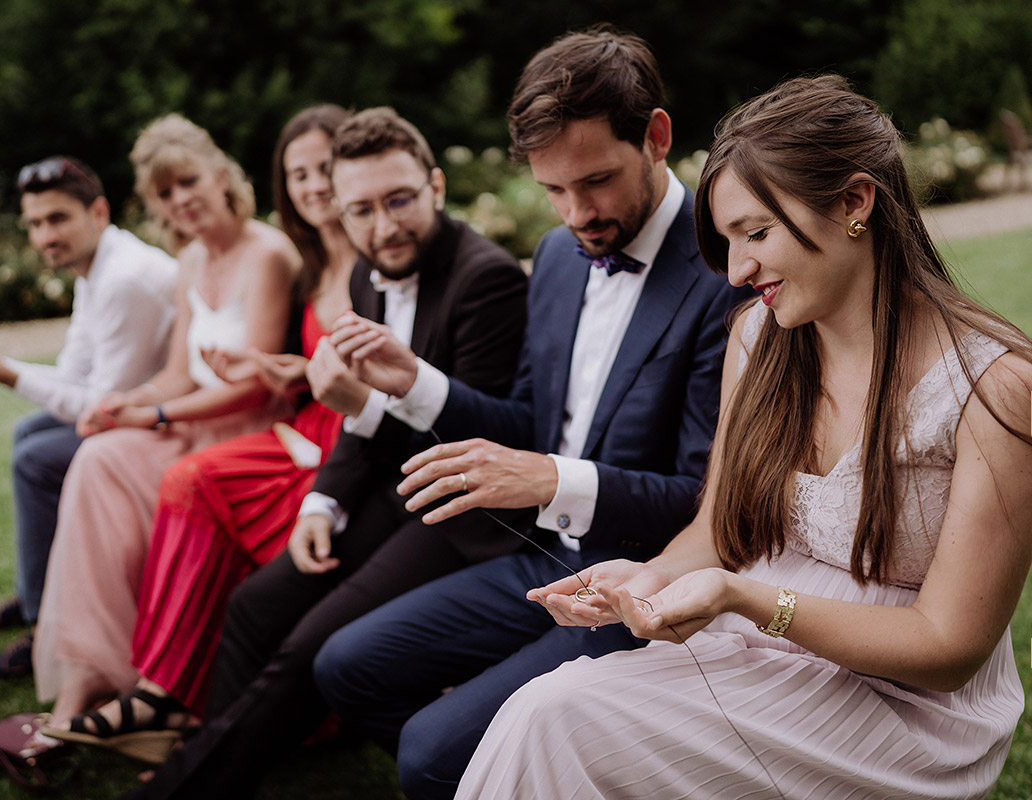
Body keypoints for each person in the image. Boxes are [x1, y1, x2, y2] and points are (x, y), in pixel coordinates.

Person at [456, 74, 1032, 800]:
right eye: (728, 241)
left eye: (756, 233)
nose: (737, 270)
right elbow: (719, 531)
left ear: (855, 203)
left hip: (908, 710)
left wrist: (750, 601)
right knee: (547, 709)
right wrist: (651, 576)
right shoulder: (758, 339)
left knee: (560, 721)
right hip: (762, 653)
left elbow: (949, 649)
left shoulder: (996, 389)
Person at [312, 28, 749, 799]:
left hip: (647, 578)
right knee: (346, 666)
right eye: (553, 190)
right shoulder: (553, 258)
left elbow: (704, 500)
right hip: (539, 560)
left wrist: (551, 479)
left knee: (428, 752)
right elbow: (524, 424)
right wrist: (413, 380)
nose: (577, 213)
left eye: (597, 181)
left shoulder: (729, 273)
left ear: (656, 136)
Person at [123, 106, 529, 798]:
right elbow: (361, 423)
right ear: (340, 212)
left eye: (399, 200)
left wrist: (362, 403)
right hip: (384, 491)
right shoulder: (370, 278)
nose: (383, 225)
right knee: (255, 604)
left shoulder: (485, 280)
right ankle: (226, 756)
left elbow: (487, 442)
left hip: (458, 513)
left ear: (434, 186)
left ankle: (188, 787)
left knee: (309, 646)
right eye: (361, 210)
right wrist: (323, 501)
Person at [38, 104, 357, 763]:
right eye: (164, 193)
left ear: (220, 176)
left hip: (254, 424)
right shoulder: (188, 262)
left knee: (169, 477)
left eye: (188, 182)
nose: (181, 200)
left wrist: (156, 417)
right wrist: (130, 402)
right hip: (198, 420)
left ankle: (160, 686)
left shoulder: (268, 252)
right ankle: (96, 672)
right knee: (98, 458)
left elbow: (253, 384)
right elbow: (180, 371)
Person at [0, 156, 177, 685]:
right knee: (29, 432)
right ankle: (39, 592)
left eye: (58, 219)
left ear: (99, 212)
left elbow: (97, 405)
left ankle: (45, 628)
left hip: (174, 424)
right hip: (136, 411)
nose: (44, 236)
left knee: (38, 459)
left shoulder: (125, 277)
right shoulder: (96, 268)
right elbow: (72, 375)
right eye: (35, 224)